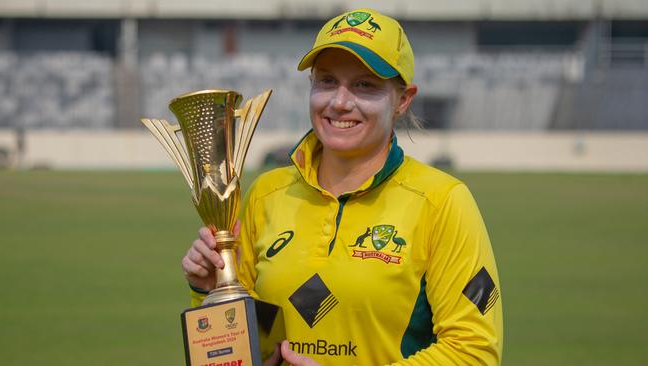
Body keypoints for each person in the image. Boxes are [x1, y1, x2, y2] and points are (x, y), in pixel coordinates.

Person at [182, 8, 503, 366]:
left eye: (365, 85)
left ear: (403, 99)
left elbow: (474, 351)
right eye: (327, 81)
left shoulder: (442, 201)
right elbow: (244, 348)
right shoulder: (266, 194)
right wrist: (210, 291)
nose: (339, 102)